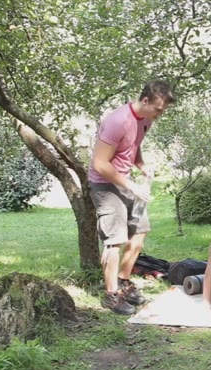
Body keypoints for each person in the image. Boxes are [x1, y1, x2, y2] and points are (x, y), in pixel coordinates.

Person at [88, 80, 175, 315]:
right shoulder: (117, 121)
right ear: (145, 100)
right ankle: (111, 295)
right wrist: (131, 185)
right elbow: (99, 163)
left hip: (125, 181)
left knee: (140, 232)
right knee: (114, 240)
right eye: (158, 109)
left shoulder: (146, 119)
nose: (160, 114)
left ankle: (123, 281)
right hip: (105, 185)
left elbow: (133, 146)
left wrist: (141, 165)